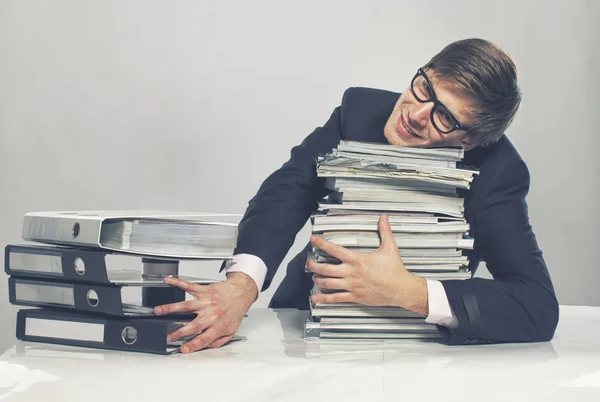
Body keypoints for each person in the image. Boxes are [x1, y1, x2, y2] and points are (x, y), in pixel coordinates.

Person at [154, 38, 559, 353]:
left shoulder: (499, 171)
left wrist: (407, 290)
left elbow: (536, 305)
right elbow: (289, 188)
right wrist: (242, 285)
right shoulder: (359, 110)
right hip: (305, 314)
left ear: (468, 141)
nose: (416, 115)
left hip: (415, 345)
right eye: (425, 88)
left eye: (444, 117)